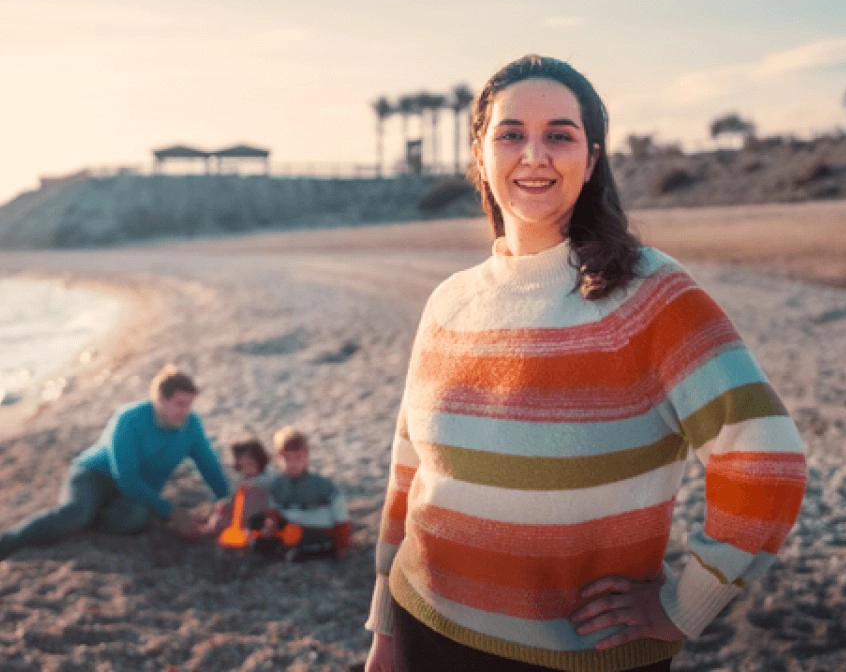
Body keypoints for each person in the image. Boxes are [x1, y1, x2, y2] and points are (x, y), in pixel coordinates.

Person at [363, 55, 808, 672]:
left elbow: (767, 457)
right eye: (511, 134)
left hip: (581, 658)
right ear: (481, 157)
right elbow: (408, 473)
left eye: (560, 135)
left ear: (592, 160)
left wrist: (686, 604)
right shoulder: (449, 302)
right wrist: (385, 625)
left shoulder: (648, 294)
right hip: (424, 627)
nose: (534, 155)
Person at [0, 364, 230, 561]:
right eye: (180, 404)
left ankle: (93, 515)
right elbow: (126, 477)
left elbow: (208, 464)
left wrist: (224, 500)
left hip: (136, 488)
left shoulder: (191, 425)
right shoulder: (129, 419)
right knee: (74, 514)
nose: (186, 411)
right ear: (160, 401)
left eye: (189, 404)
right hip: (95, 474)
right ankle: (7, 542)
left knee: (135, 520)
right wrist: (171, 512)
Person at [250, 426, 351, 561]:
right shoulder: (278, 484)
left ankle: (306, 551)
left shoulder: (321, 485)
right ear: (278, 458)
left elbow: (340, 512)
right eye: (287, 458)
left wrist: (343, 544)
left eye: (298, 458)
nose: (293, 463)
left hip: (316, 529)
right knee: (257, 526)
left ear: (307, 456)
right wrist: (271, 524)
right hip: (291, 527)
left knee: (305, 547)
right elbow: (274, 510)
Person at [181, 437, 271, 540]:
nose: (247, 470)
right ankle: (205, 526)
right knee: (220, 511)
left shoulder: (264, 479)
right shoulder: (243, 478)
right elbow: (237, 498)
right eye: (243, 466)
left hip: (254, 516)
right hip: (243, 510)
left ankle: (205, 530)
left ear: (260, 460)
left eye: (251, 464)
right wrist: (228, 505)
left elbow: (259, 504)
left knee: (223, 521)